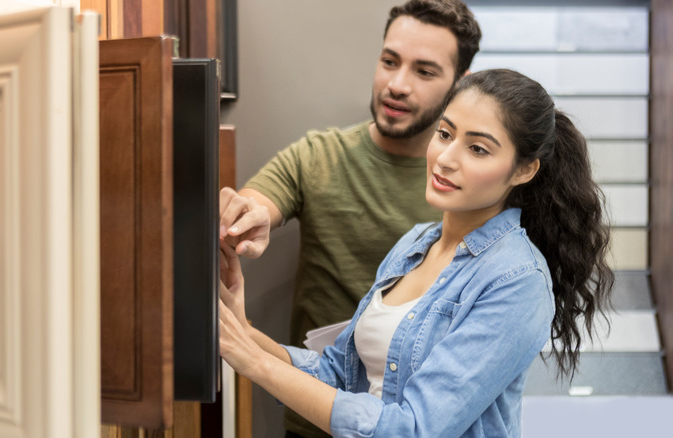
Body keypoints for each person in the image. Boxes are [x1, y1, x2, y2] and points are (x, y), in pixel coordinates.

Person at [218, 68, 614, 437]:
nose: (444, 158)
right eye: (445, 134)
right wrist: (246, 334)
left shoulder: (518, 280)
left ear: (524, 170)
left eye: (477, 149)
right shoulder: (415, 244)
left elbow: (414, 428)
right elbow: (336, 373)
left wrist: (254, 363)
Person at [220, 3, 481, 434]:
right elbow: (260, 201)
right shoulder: (319, 156)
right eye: (389, 61)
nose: (397, 85)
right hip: (314, 414)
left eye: (425, 71)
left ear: (461, 84)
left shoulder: (473, 186)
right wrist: (248, 217)